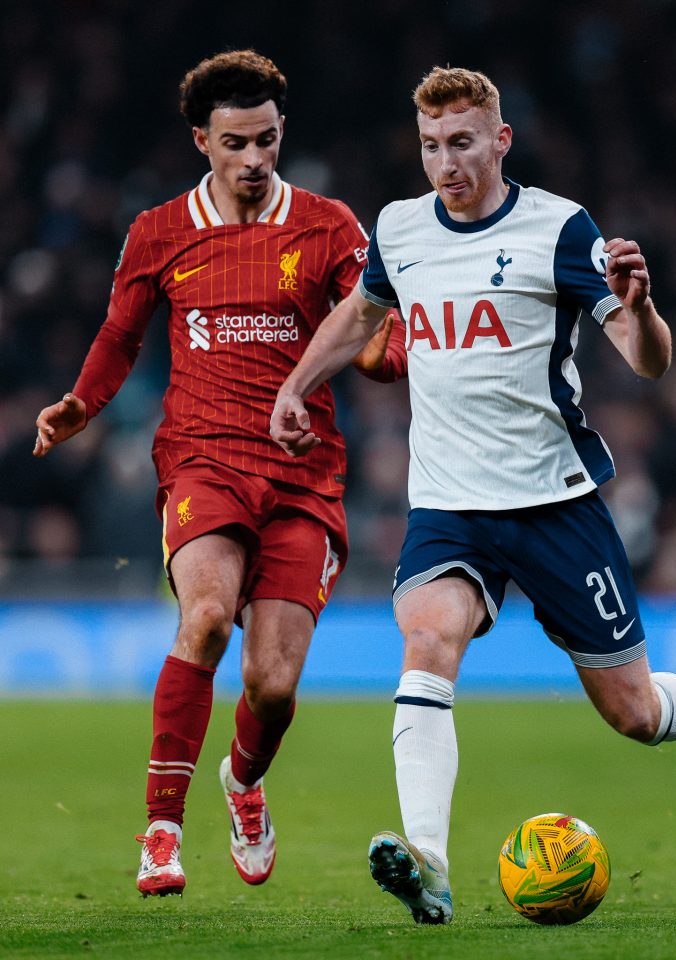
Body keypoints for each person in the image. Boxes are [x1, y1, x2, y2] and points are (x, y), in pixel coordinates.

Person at [270, 66, 676, 925]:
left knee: (633, 712)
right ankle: (428, 862)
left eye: (462, 142)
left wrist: (642, 311)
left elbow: (649, 362)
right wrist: (296, 385)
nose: (445, 163)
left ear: (501, 140)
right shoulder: (400, 228)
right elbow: (362, 310)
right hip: (449, 505)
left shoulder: (560, 230)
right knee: (426, 643)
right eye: (429, 146)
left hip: (555, 504)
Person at [33, 49, 405, 898]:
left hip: (304, 475)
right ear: (202, 139)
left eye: (267, 141)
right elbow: (121, 335)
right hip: (201, 458)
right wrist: (81, 406)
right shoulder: (160, 231)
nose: (254, 159)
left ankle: (242, 781)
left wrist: (393, 354)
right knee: (202, 618)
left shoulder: (329, 225)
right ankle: (161, 831)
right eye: (235, 142)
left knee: (271, 686)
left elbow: (369, 328)